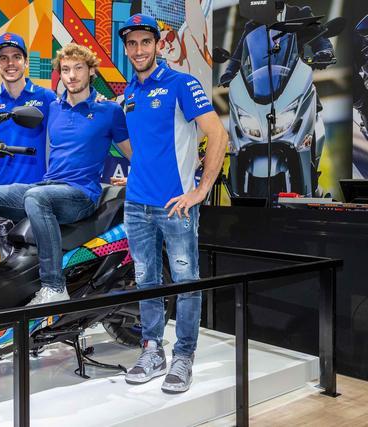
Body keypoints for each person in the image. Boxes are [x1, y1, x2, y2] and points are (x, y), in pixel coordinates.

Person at [117, 14, 228, 393]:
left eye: (145, 42)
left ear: (158, 44)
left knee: (185, 282)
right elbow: (142, 148)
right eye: (132, 43)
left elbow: (218, 135)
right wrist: (138, 173)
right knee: (146, 281)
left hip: (176, 205)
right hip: (136, 205)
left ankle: (183, 356)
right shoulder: (129, 93)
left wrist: (201, 190)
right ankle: (152, 350)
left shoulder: (182, 83)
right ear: (126, 48)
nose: (138, 50)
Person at [0, 43, 131, 305]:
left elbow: (133, 153)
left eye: (79, 68)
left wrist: (136, 179)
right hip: (49, 186)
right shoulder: (53, 107)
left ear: (91, 71)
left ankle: (54, 286)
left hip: (82, 194)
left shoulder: (109, 111)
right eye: (66, 70)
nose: (72, 75)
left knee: (36, 198)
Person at [0, 32, 56, 185]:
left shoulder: (47, 97)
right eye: (3, 58)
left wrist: (95, 99)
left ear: (26, 62)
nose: (10, 63)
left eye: (16, 57)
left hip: (41, 189)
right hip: (2, 190)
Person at [218, 0, 335, 87]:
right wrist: (229, 73)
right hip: (261, 84)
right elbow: (239, 54)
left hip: (294, 78)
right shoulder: (253, 25)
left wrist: (325, 52)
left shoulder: (301, 14)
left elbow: (319, 38)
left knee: (311, 101)